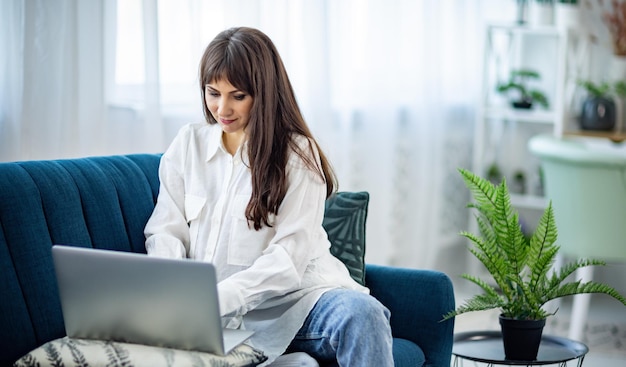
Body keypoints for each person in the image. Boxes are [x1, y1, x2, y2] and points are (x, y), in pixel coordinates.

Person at [144, 26, 393, 366]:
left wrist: (215, 299)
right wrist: (177, 292)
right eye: (213, 92)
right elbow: (166, 230)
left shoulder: (297, 154)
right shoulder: (188, 144)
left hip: (296, 303)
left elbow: (288, 260)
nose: (222, 108)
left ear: (264, 92)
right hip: (212, 319)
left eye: (238, 96)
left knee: (363, 314)